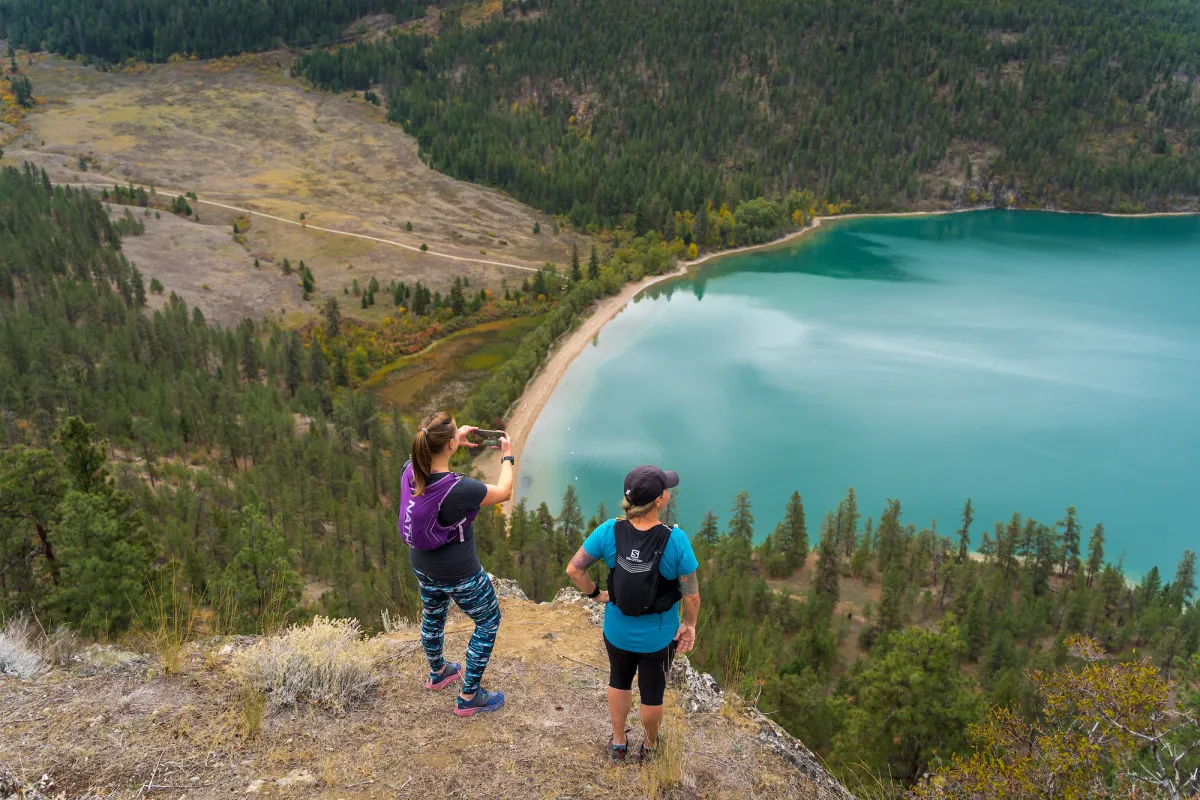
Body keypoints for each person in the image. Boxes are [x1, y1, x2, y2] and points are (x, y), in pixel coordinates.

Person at [565, 465, 701, 763]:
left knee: (619, 680)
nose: (668, 492)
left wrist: (596, 594)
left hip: (617, 630)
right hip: (659, 636)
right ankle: (650, 746)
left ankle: (618, 743)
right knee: (652, 692)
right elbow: (691, 594)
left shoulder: (609, 531)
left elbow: (574, 569)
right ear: (658, 501)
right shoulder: (676, 541)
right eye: (666, 489)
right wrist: (689, 625)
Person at [402, 411, 515, 717]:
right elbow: (504, 492)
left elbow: (422, 450)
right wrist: (508, 456)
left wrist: (451, 440)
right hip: (460, 571)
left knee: (434, 613)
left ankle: (438, 672)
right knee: (488, 621)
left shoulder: (410, 469)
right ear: (451, 444)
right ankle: (469, 696)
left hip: (422, 564)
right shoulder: (460, 488)